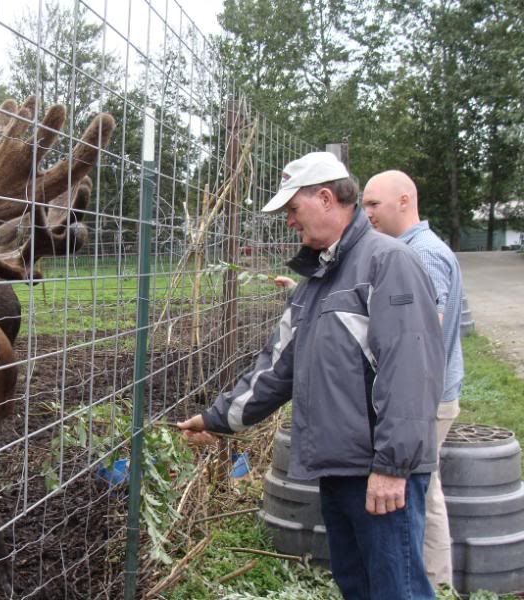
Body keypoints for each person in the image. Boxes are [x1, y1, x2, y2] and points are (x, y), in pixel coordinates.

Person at [178, 152, 445, 600]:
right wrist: (216, 419)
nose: (289, 221)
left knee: (396, 590)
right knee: (357, 585)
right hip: (341, 467)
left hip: (379, 470)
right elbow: (276, 368)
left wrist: (392, 466)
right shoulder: (317, 281)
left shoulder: (387, 263)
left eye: (292, 208)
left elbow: (412, 371)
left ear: (325, 198)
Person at [362, 170, 465, 590]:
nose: (367, 213)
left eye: (373, 204)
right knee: (428, 487)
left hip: (423, 397)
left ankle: (431, 583)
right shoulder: (414, 249)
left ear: (404, 201)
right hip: (431, 392)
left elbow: (420, 333)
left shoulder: (420, 254)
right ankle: (433, 582)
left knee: (420, 492)